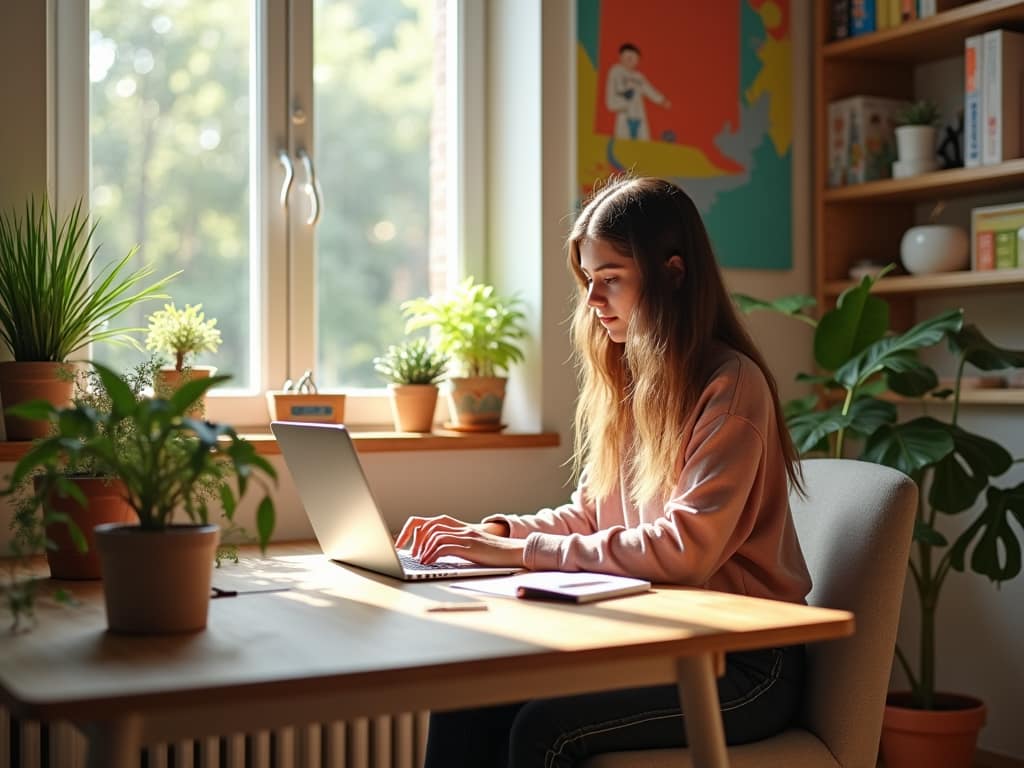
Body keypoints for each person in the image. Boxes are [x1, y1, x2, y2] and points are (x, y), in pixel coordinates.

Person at [396, 175, 812, 767]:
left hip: (746, 664)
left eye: (611, 279)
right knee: (469, 694)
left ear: (673, 274)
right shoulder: (630, 383)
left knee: (545, 730)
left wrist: (524, 554)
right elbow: (592, 512)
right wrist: (496, 534)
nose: (593, 300)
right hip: (663, 637)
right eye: (589, 281)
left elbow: (685, 549)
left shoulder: (731, 385)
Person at [605, 43, 671, 141]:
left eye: (634, 58)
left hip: (638, 114)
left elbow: (649, 90)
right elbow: (613, 91)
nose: (630, 60)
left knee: (642, 139)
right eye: (627, 57)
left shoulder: (639, 77)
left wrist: (661, 100)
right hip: (625, 112)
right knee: (624, 140)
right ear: (621, 57)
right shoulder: (616, 71)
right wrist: (623, 96)